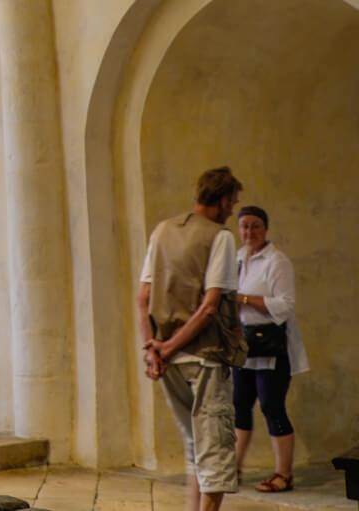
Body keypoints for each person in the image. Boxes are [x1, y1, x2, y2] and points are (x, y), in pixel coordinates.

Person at [137, 166, 243, 511]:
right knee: (214, 449)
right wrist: (169, 346)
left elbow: (143, 297)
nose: (232, 210)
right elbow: (210, 306)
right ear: (223, 199)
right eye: (233, 202)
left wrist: (153, 348)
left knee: (194, 445)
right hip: (204, 356)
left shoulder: (163, 231)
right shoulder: (220, 237)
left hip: (169, 361)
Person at [232, 205, 309, 493]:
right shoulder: (237, 259)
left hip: (271, 347)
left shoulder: (277, 261)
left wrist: (245, 299)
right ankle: (234, 468)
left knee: (271, 406)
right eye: (244, 226)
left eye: (255, 226)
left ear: (265, 228)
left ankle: (283, 473)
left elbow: (285, 305)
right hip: (243, 346)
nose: (249, 232)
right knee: (239, 405)